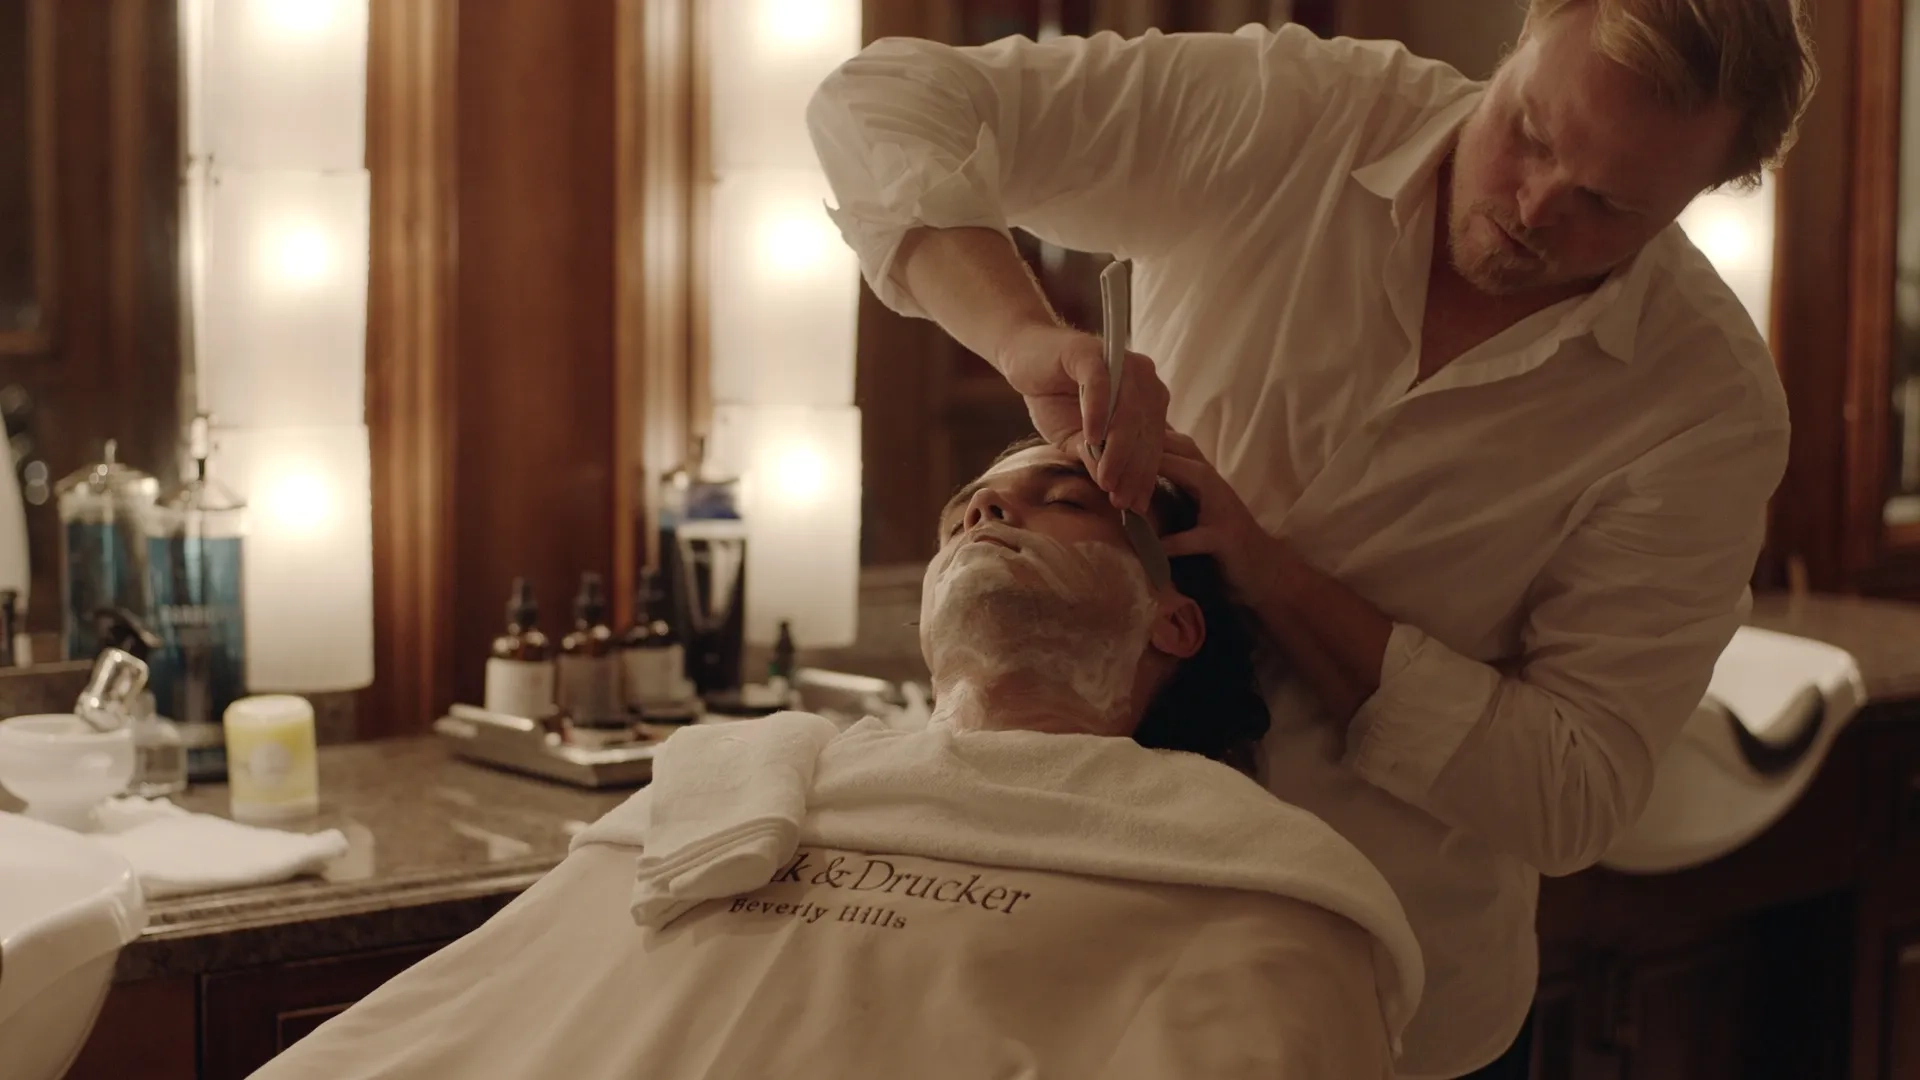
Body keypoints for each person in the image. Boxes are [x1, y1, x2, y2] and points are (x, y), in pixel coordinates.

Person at [806, 2, 1814, 1077]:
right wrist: (1020, 336)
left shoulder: (1702, 407)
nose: (1532, 206)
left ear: (1699, 199)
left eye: (1609, 204)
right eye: (1530, 131)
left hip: (1396, 1013)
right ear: (1522, 38)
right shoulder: (1291, 117)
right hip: (1074, 964)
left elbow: (1572, 793)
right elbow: (885, 100)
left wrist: (1282, 581)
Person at [248, 439, 1425, 1080]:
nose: (986, 515)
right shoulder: (746, 793)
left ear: (1174, 622)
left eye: (1058, 499)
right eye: (970, 505)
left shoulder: (1250, 894)